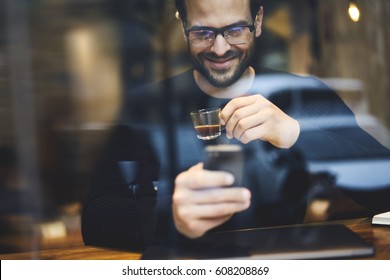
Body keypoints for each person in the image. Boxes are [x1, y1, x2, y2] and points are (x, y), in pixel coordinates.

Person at [81, 0, 390, 251]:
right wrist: (169, 218)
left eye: (235, 30)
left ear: (257, 22)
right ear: (182, 25)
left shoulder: (304, 95)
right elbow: (95, 217)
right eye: (202, 32)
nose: (219, 48)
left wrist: (296, 133)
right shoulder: (143, 108)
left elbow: (384, 185)